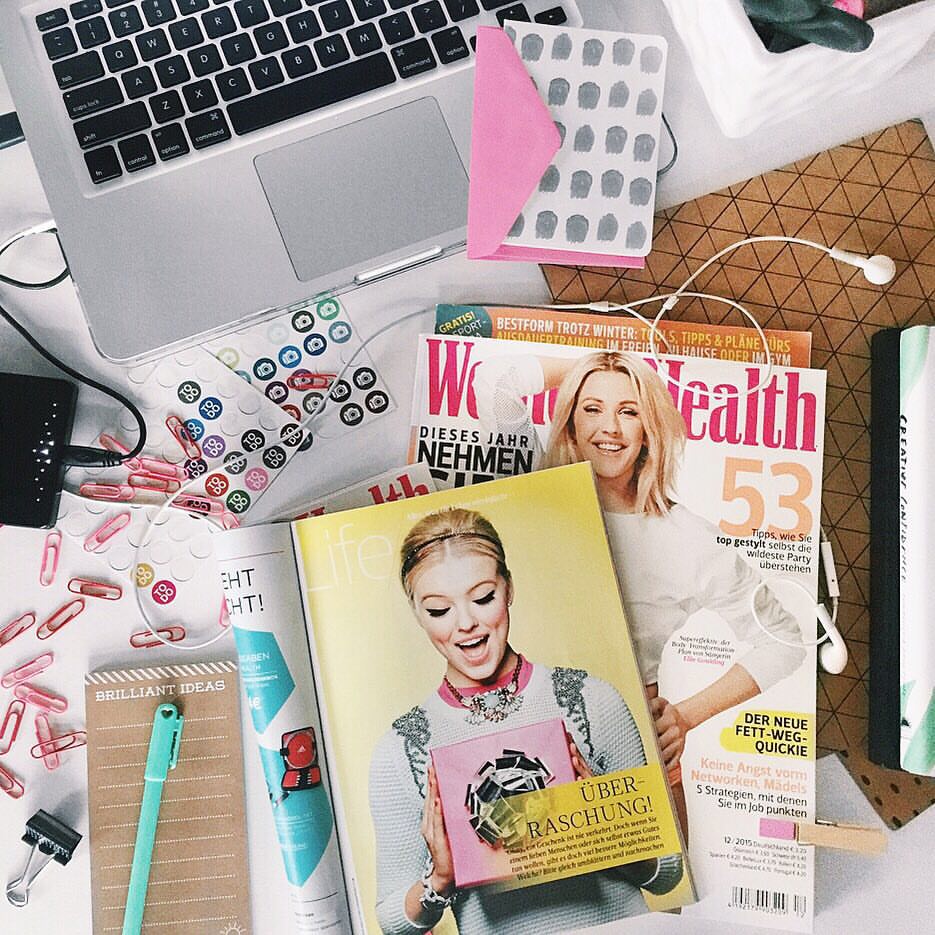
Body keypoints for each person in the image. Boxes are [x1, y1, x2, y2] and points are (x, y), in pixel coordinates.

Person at [472, 350, 808, 833]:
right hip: (518, 746)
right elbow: (495, 376)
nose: (609, 428)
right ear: (568, 421)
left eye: (629, 412)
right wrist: (602, 364)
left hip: (635, 749)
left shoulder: (687, 536)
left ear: (650, 428)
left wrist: (686, 717)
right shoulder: (531, 484)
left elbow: (785, 640)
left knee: (660, 902)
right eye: (592, 409)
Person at [369, 507, 683, 935]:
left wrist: (607, 822)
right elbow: (392, 922)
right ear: (418, 615)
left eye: (483, 598)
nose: (466, 624)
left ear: (509, 588)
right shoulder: (401, 748)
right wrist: (439, 879)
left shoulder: (591, 701)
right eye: (440, 610)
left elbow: (668, 873)